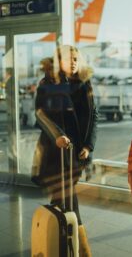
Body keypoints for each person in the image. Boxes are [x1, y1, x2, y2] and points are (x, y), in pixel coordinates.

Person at [32, 45, 98, 257]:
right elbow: (41, 114)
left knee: (62, 200)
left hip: (77, 154)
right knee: (70, 202)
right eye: (69, 59)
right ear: (58, 61)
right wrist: (57, 135)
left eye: (76, 58)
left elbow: (94, 116)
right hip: (55, 154)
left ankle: (56, 242)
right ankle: (82, 252)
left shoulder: (84, 84)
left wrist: (89, 145)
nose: (73, 62)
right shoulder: (47, 85)